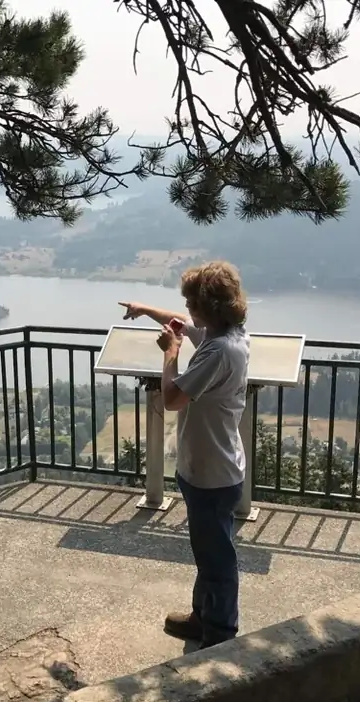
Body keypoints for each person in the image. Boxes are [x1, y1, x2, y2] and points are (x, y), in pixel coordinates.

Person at [118, 260, 250, 649]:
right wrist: (145, 310)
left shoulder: (218, 352)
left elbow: (173, 398)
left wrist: (170, 352)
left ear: (207, 306)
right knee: (208, 550)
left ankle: (221, 634)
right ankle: (202, 616)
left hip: (212, 472)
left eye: (192, 301)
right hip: (212, 465)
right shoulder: (231, 334)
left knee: (217, 561)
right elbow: (180, 320)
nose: (186, 308)